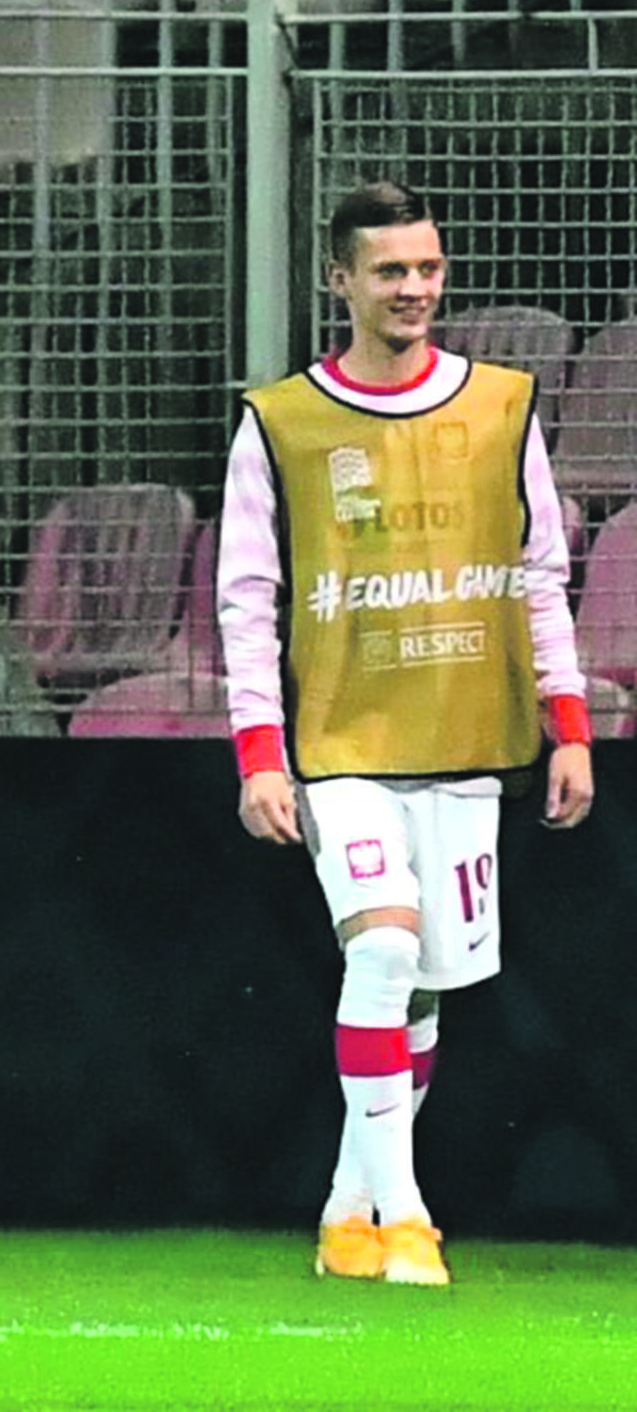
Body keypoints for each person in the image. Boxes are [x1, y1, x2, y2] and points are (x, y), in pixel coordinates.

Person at [215, 180, 593, 1288]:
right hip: (342, 744)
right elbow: (246, 596)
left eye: (427, 267)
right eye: (389, 271)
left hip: (468, 738)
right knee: (380, 950)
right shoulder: (282, 422)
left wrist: (568, 726)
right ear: (340, 280)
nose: (413, 288)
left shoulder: (503, 407)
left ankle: (346, 1211)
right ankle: (410, 1218)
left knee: (420, 988)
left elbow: (540, 573)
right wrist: (258, 753)